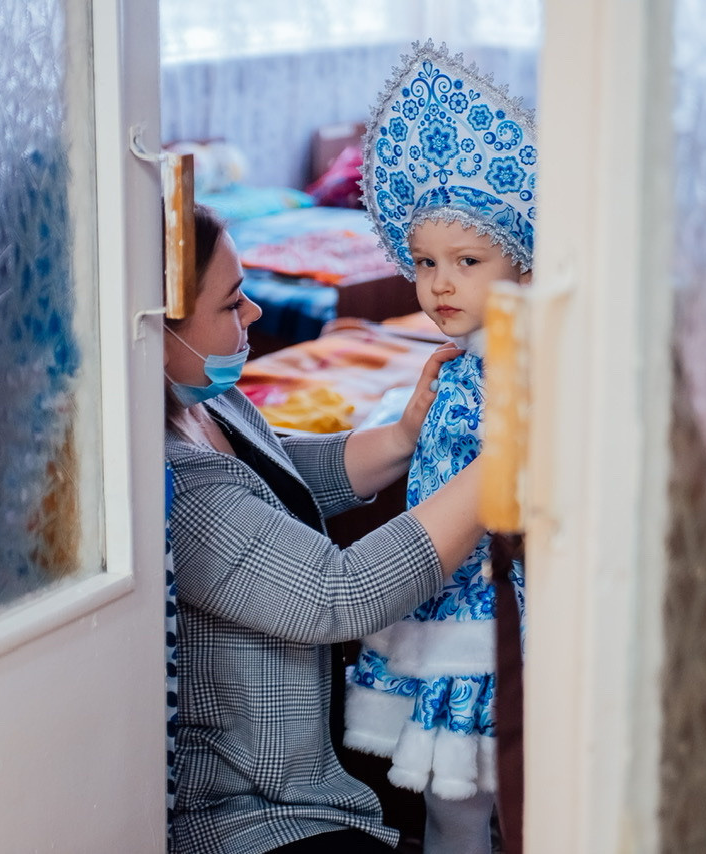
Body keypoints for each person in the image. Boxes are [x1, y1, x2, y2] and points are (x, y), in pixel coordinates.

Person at [165, 202, 489, 854]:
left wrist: (403, 436)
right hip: (249, 813)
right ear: (157, 331)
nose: (254, 312)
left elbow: (281, 470)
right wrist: (505, 461)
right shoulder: (175, 486)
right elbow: (337, 594)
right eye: (232, 304)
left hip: (311, 775)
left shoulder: (210, 400)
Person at [342, 42, 536, 854]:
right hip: (441, 597)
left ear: (520, 264)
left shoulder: (533, 369)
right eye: (424, 264)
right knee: (450, 804)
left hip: (504, 612)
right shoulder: (455, 368)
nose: (438, 285)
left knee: (510, 792)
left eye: (466, 261)